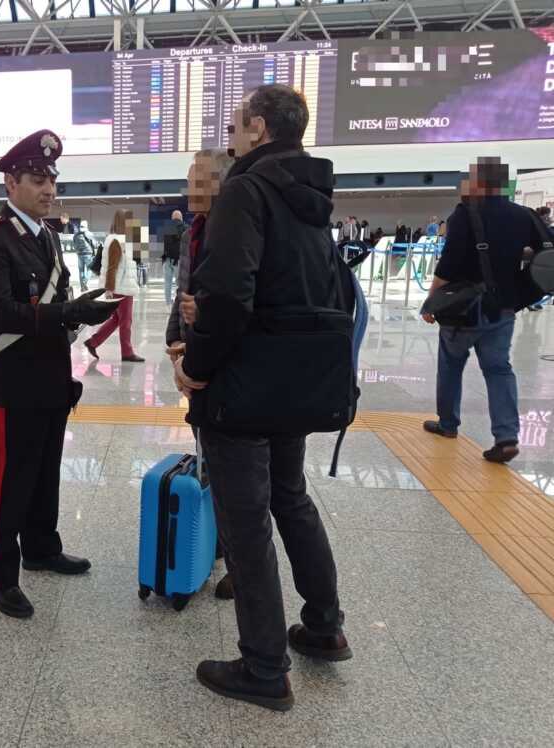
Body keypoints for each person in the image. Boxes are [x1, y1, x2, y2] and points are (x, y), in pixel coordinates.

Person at [175, 84, 351, 711]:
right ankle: (324, 627)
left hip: (246, 387)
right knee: (291, 499)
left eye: (235, 125)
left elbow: (227, 297)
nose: (231, 137)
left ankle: (263, 665)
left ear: (255, 126)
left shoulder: (247, 191)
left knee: (246, 522)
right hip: (297, 381)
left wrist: (196, 367)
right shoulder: (313, 199)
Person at [0, 129, 118, 620]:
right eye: (37, 179)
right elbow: (1, 312)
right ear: (11, 183)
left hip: (52, 373)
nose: (49, 190)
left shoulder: (49, 236)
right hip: (12, 379)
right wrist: (65, 313)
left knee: (46, 467)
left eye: (52, 180)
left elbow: (54, 303)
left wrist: (80, 311)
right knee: (10, 476)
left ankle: (41, 548)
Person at [422, 157, 549, 463]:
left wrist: (431, 300)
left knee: (451, 363)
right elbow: (548, 251)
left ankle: (448, 424)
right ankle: (506, 436)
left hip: (462, 307)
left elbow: (449, 263)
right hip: (503, 306)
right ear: (502, 184)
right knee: (498, 368)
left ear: (477, 183)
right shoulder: (525, 215)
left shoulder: (466, 214)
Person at [165, 148, 236, 599]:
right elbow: (183, 294)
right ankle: (219, 538)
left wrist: (195, 359)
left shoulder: (236, 231)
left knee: (242, 472)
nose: (190, 184)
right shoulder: (196, 230)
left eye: (198, 177)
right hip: (198, 360)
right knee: (212, 457)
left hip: (227, 365)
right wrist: (175, 350)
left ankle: (239, 559)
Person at [83, 210, 145, 363]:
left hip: (121, 286)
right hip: (121, 288)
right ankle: (127, 352)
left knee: (117, 320)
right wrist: (109, 288)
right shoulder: (117, 241)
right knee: (126, 321)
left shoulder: (118, 240)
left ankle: (93, 342)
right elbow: (112, 267)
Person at [162, 210, 185, 304]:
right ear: (181, 217)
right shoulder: (185, 228)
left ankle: (168, 302)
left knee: (168, 282)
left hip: (167, 260)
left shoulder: (165, 228)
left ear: (172, 218)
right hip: (178, 260)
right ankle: (179, 301)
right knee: (180, 283)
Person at [72, 220, 97, 291]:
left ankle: (82, 287)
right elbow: (94, 244)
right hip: (88, 254)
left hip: (79, 254)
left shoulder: (76, 234)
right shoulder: (89, 233)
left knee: (81, 271)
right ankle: (85, 283)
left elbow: (74, 243)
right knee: (90, 269)